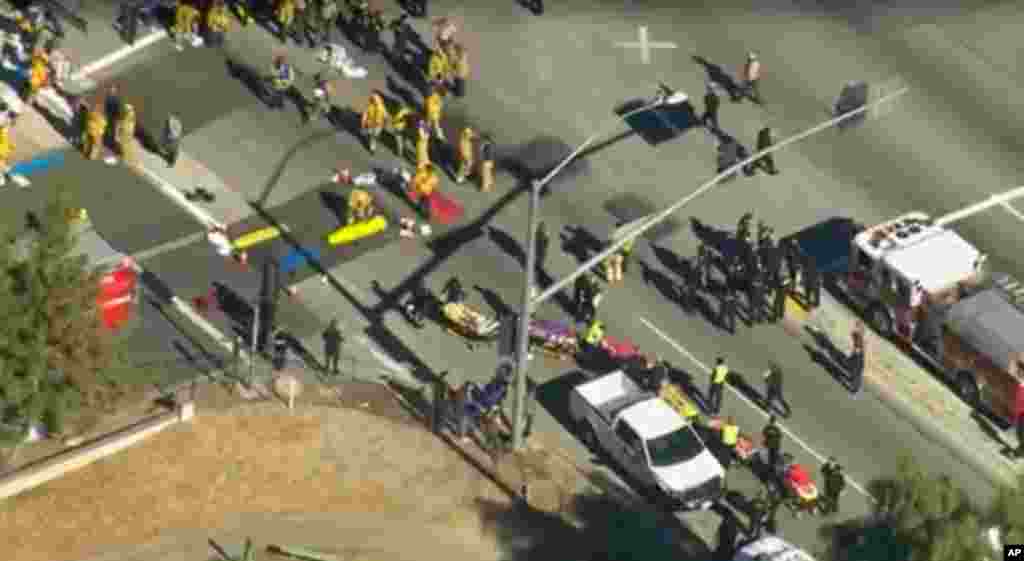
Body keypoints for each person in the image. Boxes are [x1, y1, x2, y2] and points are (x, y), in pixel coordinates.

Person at [114, 102, 138, 166]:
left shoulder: (129, 115)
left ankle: (130, 161)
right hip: (126, 132)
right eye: (129, 110)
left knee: (128, 147)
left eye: (131, 110)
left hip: (127, 132)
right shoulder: (127, 116)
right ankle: (130, 161)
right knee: (127, 147)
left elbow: (119, 124)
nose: (131, 111)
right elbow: (118, 125)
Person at [847, 322, 866, 395]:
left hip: (858, 359)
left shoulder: (858, 338)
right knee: (855, 372)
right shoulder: (858, 336)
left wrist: (853, 355)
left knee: (856, 373)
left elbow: (857, 350)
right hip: (858, 358)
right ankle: (853, 383)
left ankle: (855, 389)